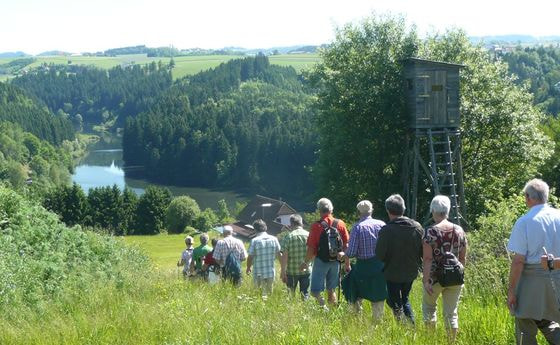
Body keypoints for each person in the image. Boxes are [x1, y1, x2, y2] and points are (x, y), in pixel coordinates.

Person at [507, 179, 560, 345]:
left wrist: (511, 290)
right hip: (558, 276)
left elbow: (518, 261)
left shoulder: (524, 221)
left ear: (528, 197)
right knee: (549, 322)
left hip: (531, 280)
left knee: (525, 323)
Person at [422, 195, 467, 342]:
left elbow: (428, 259)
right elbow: (462, 258)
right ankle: (451, 342)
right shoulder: (459, 230)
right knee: (451, 313)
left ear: (433, 211)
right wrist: (459, 274)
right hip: (455, 277)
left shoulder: (430, 232)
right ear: (447, 211)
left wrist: (426, 280)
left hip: (435, 278)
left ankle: (431, 340)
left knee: (429, 308)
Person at [376, 194, 424, 324]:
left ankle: (405, 327)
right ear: (403, 209)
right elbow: (423, 252)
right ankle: (410, 325)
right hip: (411, 272)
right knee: (404, 299)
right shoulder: (417, 227)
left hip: (392, 273)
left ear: (388, 210)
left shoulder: (386, 230)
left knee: (395, 301)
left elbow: (379, 255)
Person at [339, 200, 387, 320]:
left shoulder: (357, 227)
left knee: (351, 288)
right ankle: (377, 321)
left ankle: (357, 318)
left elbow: (352, 252)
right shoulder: (381, 224)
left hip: (363, 267)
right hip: (380, 266)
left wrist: (343, 254)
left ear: (358, 212)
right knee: (378, 295)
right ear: (371, 210)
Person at [300, 198, 349, 307]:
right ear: (331, 209)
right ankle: (333, 311)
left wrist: (306, 262)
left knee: (315, 291)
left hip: (321, 261)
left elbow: (311, 248)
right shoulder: (340, 223)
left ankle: (324, 308)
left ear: (319, 210)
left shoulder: (316, 226)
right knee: (331, 290)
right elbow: (346, 244)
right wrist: (346, 262)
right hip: (336, 261)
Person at [246, 219, 282, 296]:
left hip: (258, 272)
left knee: (258, 293)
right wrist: (282, 268)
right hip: (270, 271)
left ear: (255, 229)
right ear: (265, 227)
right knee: (269, 293)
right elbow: (279, 254)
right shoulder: (274, 239)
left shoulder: (254, 241)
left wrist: (248, 267)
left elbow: (250, 257)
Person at [280, 214, 310, 299]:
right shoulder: (309, 235)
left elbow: (284, 256)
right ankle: (305, 309)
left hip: (292, 271)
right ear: (301, 223)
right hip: (306, 270)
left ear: (291, 224)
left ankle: (291, 311)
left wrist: (283, 272)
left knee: (290, 294)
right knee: (305, 293)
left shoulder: (288, 237)